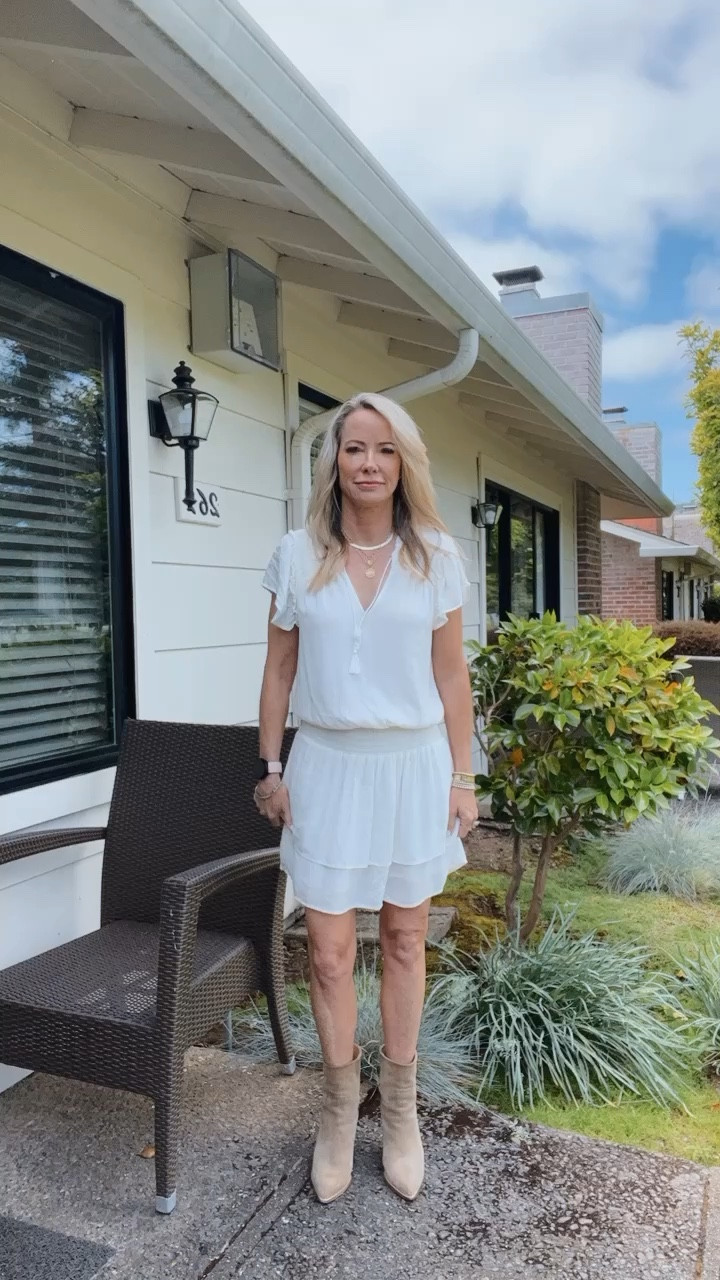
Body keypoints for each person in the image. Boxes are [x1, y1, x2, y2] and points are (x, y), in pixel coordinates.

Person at [255, 391, 478, 1204]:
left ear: (404, 462)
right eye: (355, 448)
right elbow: (279, 670)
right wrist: (271, 765)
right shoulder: (295, 553)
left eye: (385, 450)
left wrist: (464, 775)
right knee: (327, 950)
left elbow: (452, 676)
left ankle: (404, 1114)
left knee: (407, 940)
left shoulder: (436, 558)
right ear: (335, 461)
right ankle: (340, 1111)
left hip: (413, 766)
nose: (370, 464)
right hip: (328, 769)